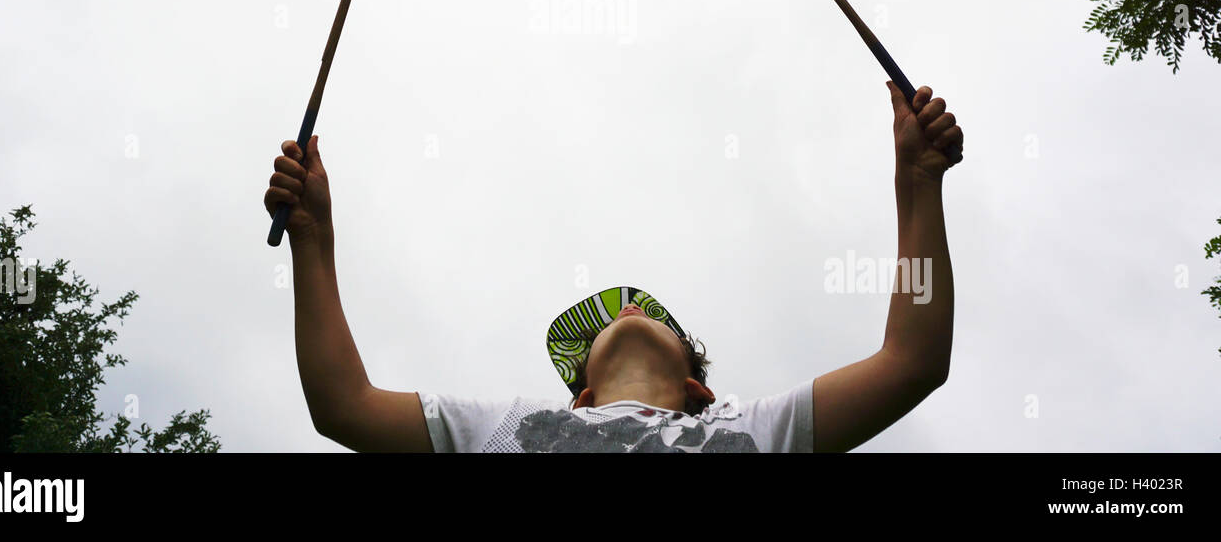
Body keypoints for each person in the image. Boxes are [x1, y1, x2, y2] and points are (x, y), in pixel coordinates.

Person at [263, 81, 961, 452]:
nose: (630, 309)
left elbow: (913, 360)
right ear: (582, 401)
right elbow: (344, 408)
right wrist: (313, 240)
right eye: (620, 316)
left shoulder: (755, 431)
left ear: (698, 388)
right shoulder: (504, 429)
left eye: (649, 314)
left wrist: (918, 183)